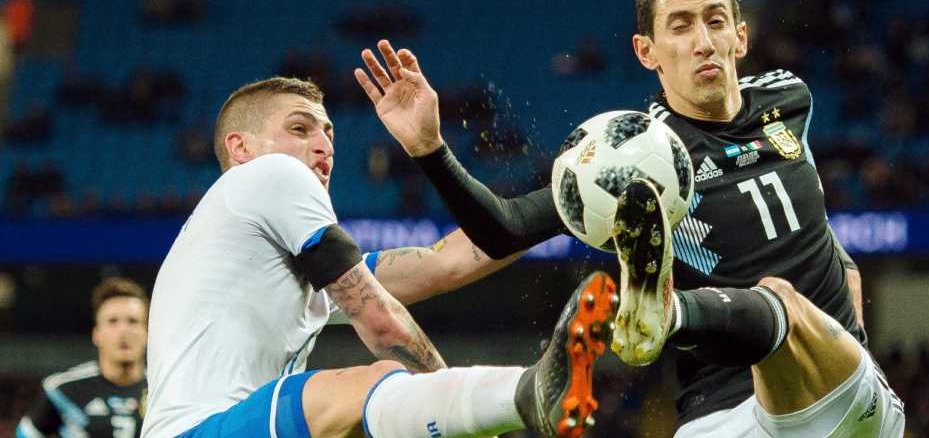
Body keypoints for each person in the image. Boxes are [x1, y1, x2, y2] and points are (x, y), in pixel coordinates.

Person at [352, 0, 905, 434]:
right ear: (647, 51)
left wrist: (845, 284)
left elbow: (810, 223)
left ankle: (666, 315)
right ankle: (663, 314)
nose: (703, 41)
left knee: (782, 299)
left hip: (840, 399)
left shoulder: (790, 99)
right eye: (682, 26)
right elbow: (506, 228)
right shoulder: (632, 157)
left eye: (716, 20)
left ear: (741, 35)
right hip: (719, 420)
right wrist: (431, 150)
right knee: (779, 304)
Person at [139, 76, 618, 438]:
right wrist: (461, 404)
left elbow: (442, 263)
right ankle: (528, 391)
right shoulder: (269, 177)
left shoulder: (266, 256)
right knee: (379, 380)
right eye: (299, 128)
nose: (324, 144)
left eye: (328, 132)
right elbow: (381, 321)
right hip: (198, 430)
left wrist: (573, 201)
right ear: (240, 148)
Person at [16, 277, 148, 438]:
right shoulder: (62, 390)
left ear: (147, 333)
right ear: (96, 334)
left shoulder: (165, 390)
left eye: (133, 321)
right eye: (113, 321)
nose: (123, 330)